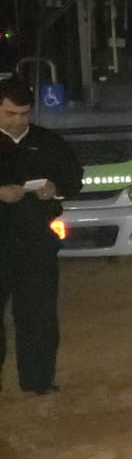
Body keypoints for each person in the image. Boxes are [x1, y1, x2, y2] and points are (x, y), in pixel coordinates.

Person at [0, 79, 83, 394]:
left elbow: (74, 178)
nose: (18, 121)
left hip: (36, 241)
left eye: (24, 114)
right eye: (10, 113)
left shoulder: (46, 141)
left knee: (38, 315)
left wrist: (54, 188)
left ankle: (38, 381)